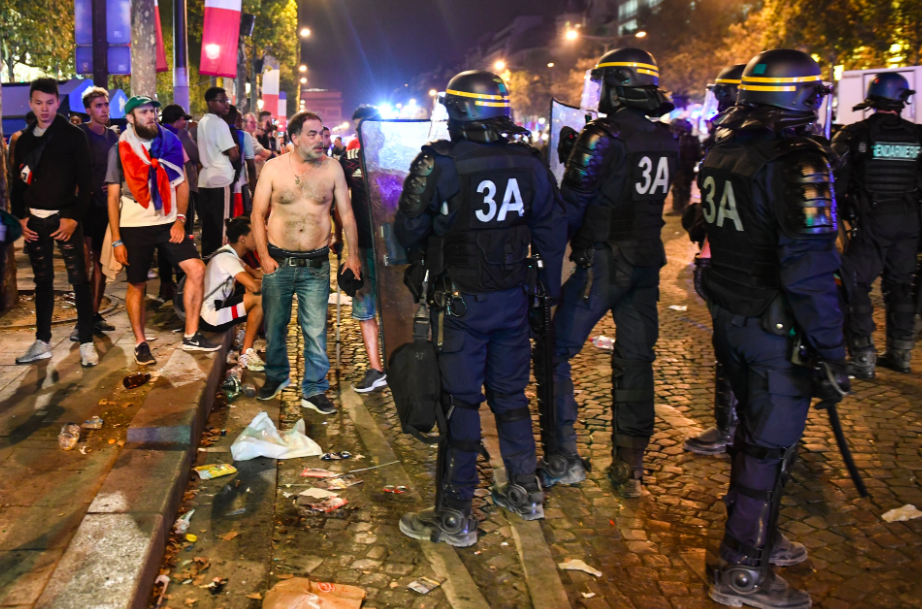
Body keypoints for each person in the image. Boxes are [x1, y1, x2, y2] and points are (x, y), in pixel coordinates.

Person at [700, 49, 847, 609]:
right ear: (799, 96)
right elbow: (809, 267)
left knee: (753, 439)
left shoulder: (724, 149)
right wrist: (832, 348)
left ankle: (761, 536)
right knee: (768, 447)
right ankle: (742, 571)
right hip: (775, 328)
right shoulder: (798, 162)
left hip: (733, 317)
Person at [395, 71, 566, 547]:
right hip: (514, 301)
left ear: (459, 111)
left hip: (461, 305)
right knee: (511, 398)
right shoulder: (529, 163)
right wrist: (547, 293)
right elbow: (553, 231)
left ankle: (455, 512)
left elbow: (408, 229)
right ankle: (525, 489)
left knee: (461, 403)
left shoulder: (440, 162)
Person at [549, 48, 678, 497]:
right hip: (646, 261)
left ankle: (563, 453)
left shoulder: (602, 136)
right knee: (636, 360)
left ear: (617, 86)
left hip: (602, 262)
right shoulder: (667, 137)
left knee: (554, 350)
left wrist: (547, 266)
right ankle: (630, 465)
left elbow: (572, 205)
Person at [250, 111, 362, 414]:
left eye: (322, 134)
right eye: (312, 134)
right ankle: (276, 377)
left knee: (315, 330)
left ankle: (314, 388)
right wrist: (263, 257)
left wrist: (353, 255)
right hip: (279, 261)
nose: (320, 140)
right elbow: (257, 215)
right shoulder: (273, 169)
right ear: (295, 138)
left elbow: (347, 215)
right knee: (275, 327)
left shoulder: (333, 169)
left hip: (316, 264)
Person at [106, 96, 220, 365]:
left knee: (197, 269)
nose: (150, 116)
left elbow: (181, 184)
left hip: (168, 221)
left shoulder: (170, 141)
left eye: (152, 111)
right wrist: (116, 240)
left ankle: (191, 334)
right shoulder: (119, 149)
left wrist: (180, 220)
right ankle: (141, 342)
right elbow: (112, 197)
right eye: (143, 112)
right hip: (134, 225)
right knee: (137, 284)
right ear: (131, 118)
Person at [834, 72, 921, 377]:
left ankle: (862, 357)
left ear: (871, 100)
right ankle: (901, 354)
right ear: (902, 100)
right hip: (910, 222)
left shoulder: (854, 134)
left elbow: (836, 182)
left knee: (854, 281)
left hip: (873, 220)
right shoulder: (918, 135)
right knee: (900, 284)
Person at [11, 78, 99, 367]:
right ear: (30, 103)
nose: (44, 108)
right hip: (34, 221)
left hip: (65, 220)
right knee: (42, 283)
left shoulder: (73, 135)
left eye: (49, 102)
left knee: (79, 281)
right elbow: (18, 183)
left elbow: (86, 182)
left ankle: (86, 340)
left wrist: (73, 218)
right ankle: (42, 341)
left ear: (57, 102)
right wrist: (21, 217)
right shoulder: (23, 139)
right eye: (38, 103)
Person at [682, 63, 746, 456]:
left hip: (725, 261)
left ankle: (730, 429)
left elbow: (705, 207)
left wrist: (698, 221)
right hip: (768, 265)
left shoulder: (729, 144)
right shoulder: (791, 143)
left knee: (733, 350)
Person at [340, 105, 387, 392]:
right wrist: (348, 248)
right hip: (365, 243)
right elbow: (340, 201)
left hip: (394, 244)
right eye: (357, 127)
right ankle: (376, 368)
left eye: (365, 126)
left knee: (400, 307)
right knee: (365, 306)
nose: (361, 132)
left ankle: (403, 361)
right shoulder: (350, 160)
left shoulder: (400, 154)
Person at [75, 86, 119, 340]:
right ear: (89, 110)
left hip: (106, 208)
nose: (104, 109)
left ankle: (93, 313)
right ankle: (82, 319)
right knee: (84, 264)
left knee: (102, 264)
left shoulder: (113, 137)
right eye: (99, 106)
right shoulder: (79, 134)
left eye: (106, 105)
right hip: (84, 207)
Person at [201, 217, 265, 371]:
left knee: (261, 293)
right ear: (242, 239)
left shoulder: (231, 254)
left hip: (218, 309)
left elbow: (256, 274)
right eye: (253, 235)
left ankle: (254, 340)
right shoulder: (227, 258)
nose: (257, 238)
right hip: (212, 317)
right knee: (260, 298)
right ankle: (246, 353)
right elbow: (253, 285)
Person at [197, 87, 240, 257]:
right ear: (210, 103)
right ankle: (219, 267)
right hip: (221, 179)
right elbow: (234, 154)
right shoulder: (220, 123)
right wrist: (234, 149)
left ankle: (208, 263)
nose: (226, 104)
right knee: (222, 230)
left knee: (208, 228)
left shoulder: (203, 121)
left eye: (227, 100)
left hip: (205, 179)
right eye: (222, 101)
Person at [669, 117, 701, 215]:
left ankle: (678, 208)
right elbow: (698, 155)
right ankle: (684, 207)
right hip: (688, 166)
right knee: (685, 186)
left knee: (679, 187)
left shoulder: (678, 140)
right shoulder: (693, 139)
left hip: (681, 167)